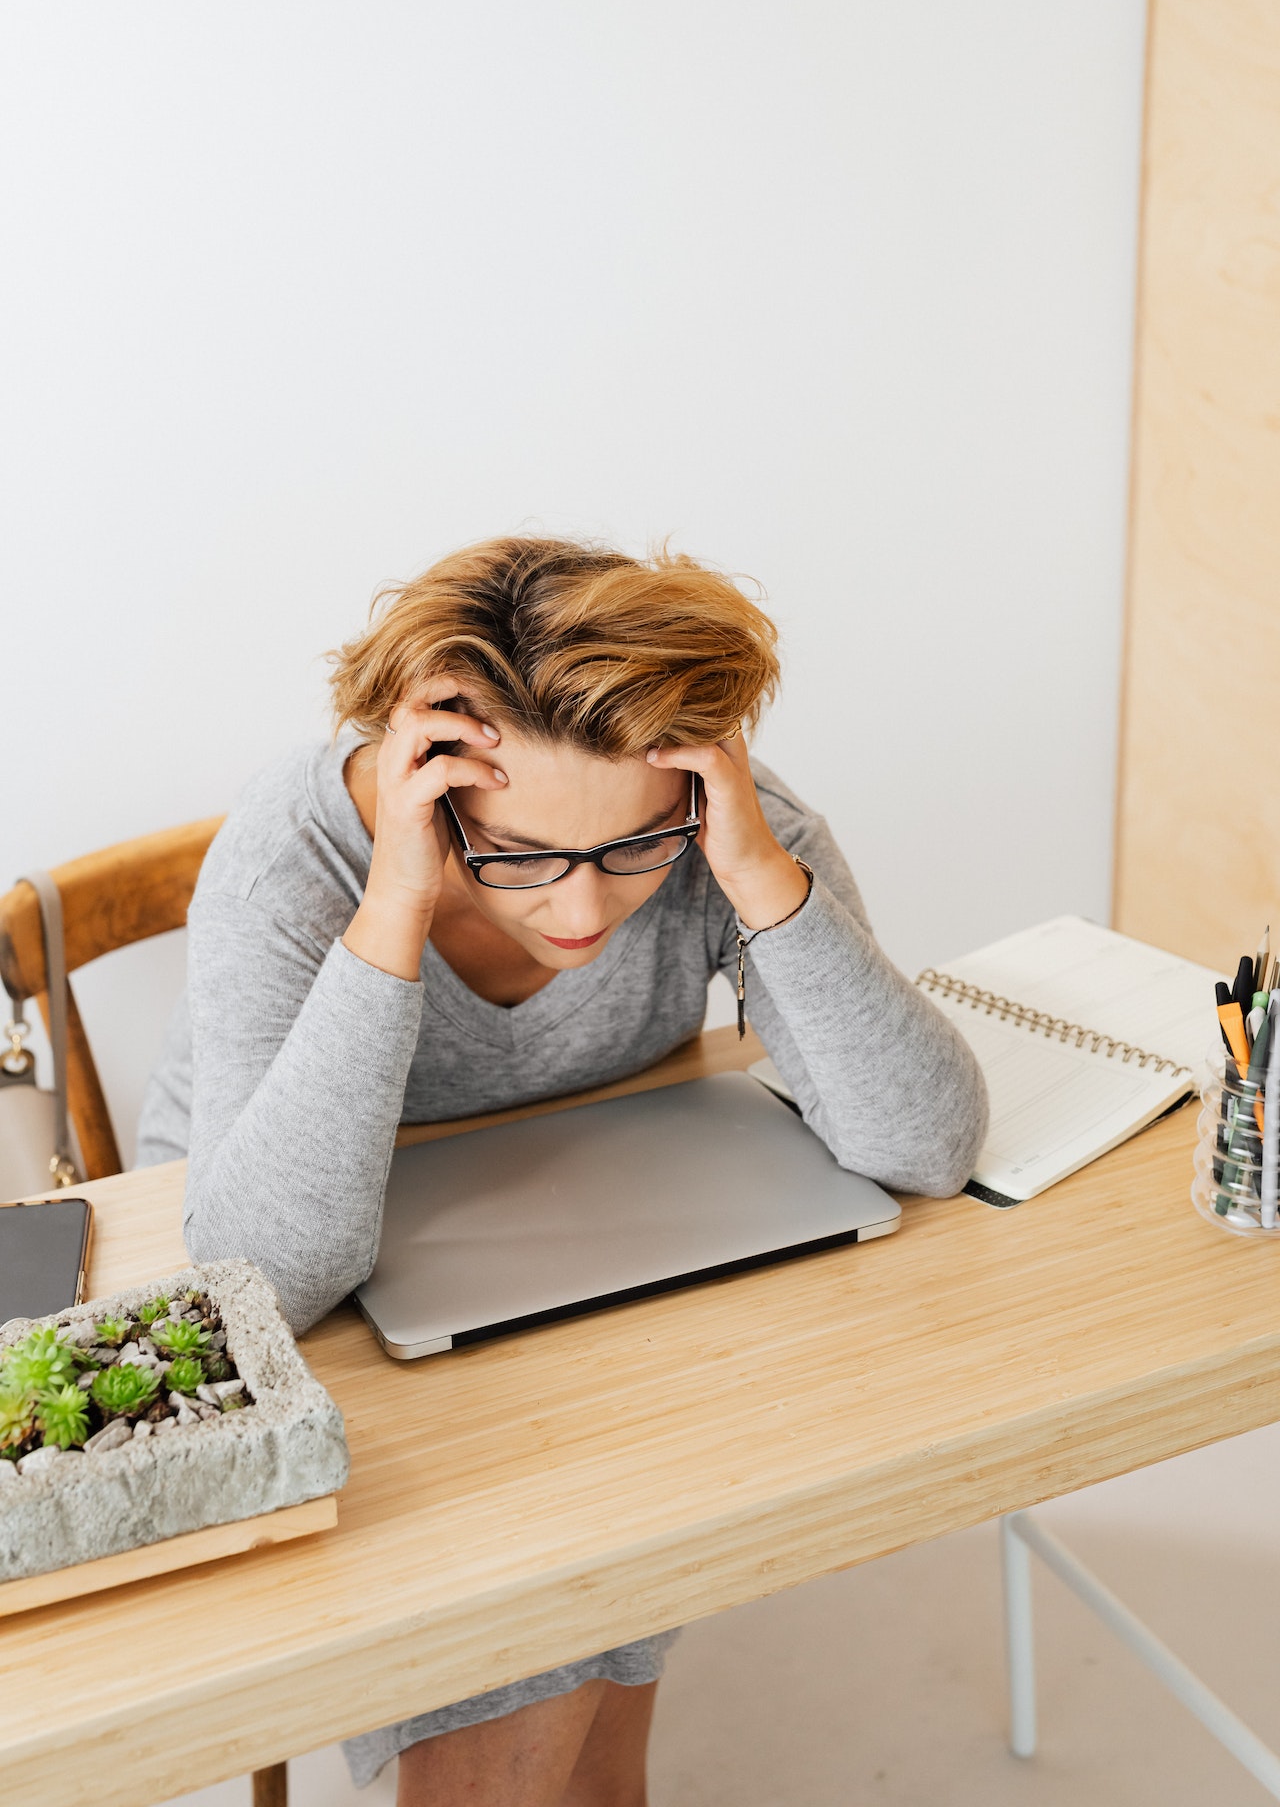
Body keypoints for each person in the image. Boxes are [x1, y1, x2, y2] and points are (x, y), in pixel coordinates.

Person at [138, 535, 988, 1807]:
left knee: (583, 1597)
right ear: (427, 787)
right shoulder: (288, 864)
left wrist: (755, 871)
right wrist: (396, 911)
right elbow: (263, 1269)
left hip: (600, 1216)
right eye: (525, 854)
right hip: (299, 1239)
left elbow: (920, 1146)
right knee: (549, 1657)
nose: (585, 914)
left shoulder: (718, 825)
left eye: (631, 851)